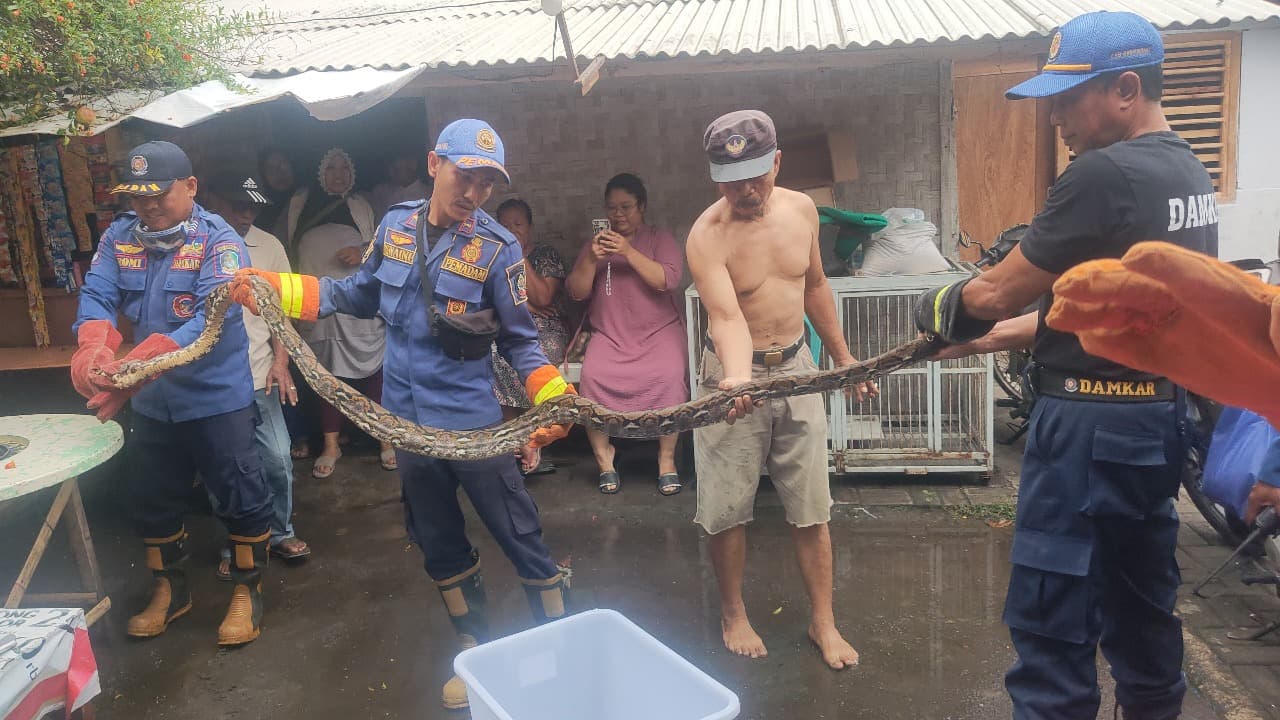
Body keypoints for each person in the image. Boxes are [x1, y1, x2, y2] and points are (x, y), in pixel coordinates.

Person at [913, 13, 1217, 719]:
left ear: (1126, 89)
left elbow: (993, 291)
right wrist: (984, 342)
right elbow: (1093, 315)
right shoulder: (1185, 171)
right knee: (1143, 613)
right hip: (1152, 424)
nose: (1055, 118)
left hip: (1084, 433)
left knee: (1053, 629)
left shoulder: (1103, 173)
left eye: (1068, 97)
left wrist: (937, 313)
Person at [230, 118, 576, 711]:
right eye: (466, 176)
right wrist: (276, 287)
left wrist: (556, 399)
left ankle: (561, 653)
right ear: (435, 162)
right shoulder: (395, 227)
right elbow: (355, 293)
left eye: (487, 183)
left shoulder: (498, 249)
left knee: (521, 538)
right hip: (406, 426)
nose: (474, 193)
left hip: (472, 426)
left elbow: (519, 341)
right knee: (438, 541)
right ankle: (474, 651)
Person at [685, 110, 872, 670]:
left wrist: (844, 360)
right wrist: (737, 378)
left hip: (798, 367)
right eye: (731, 178)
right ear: (715, 176)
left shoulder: (802, 210)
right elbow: (725, 317)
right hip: (729, 375)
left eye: (756, 176)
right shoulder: (705, 236)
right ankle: (734, 612)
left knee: (812, 505)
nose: (745, 190)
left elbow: (815, 286)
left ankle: (823, 620)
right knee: (727, 507)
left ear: (777, 163)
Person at [70, 141, 273, 646]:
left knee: (240, 494)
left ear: (190, 188)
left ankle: (248, 591)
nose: (149, 206)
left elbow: (211, 318)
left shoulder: (220, 242)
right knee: (152, 496)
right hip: (155, 406)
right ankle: (169, 590)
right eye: (138, 197)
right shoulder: (120, 236)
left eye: (160, 194)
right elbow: (97, 292)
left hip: (215, 397)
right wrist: (94, 346)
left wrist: (134, 365)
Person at [202, 169, 312, 570]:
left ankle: (280, 532)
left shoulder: (269, 246)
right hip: (214, 383)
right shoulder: (197, 246)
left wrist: (282, 362)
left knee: (278, 459)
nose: (246, 214)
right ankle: (235, 545)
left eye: (252, 207)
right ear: (214, 199)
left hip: (259, 373)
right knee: (224, 469)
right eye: (238, 205)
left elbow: (281, 311)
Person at [565, 173, 688, 495]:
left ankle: (666, 459)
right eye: (612, 208)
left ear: (642, 207)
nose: (618, 215)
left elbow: (667, 280)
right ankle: (605, 459)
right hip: (610, 335)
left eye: (626, 207)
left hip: (658, 333)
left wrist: (628, 252)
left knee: (669, 375)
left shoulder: (659, 239)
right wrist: (592, 259)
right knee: (593, 377)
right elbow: (576, 293)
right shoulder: (596, 245)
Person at [285, 148, 395, 477]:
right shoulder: (299, 204)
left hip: (358, 306)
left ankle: (385, 439)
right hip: (317, 306)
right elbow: (288, 250)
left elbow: (385, 248)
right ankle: (331, 445)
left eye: (344, 167)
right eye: (330, 167)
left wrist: (361, 251)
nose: (338, 174)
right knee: (327, 378)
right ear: (320, 172)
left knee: (375, 374)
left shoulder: (362, 207)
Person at [491, 198, 570, 474]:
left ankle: (534, 440)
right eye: (504, 226)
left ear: (531, 227)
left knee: (537, 358)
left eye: (518, 225)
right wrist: (529, 305)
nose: (511, 230)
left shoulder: (546, 255)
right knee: (496, 356)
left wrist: (517, 254)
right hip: (506, 329)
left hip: (545, 330)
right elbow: (491, 302)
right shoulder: (491, 258)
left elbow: (544, 296)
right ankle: (513, 437)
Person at [367, 150, 430, 217]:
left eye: (395, 168)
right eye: (389, 166)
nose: (390, 172)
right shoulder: (380, 192)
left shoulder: (427, 195)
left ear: (412, 163)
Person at [254, 148, 296, 240]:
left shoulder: (306, 200)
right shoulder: (258, 213)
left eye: (284, 164)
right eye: (271, 168)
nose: (281, 171)